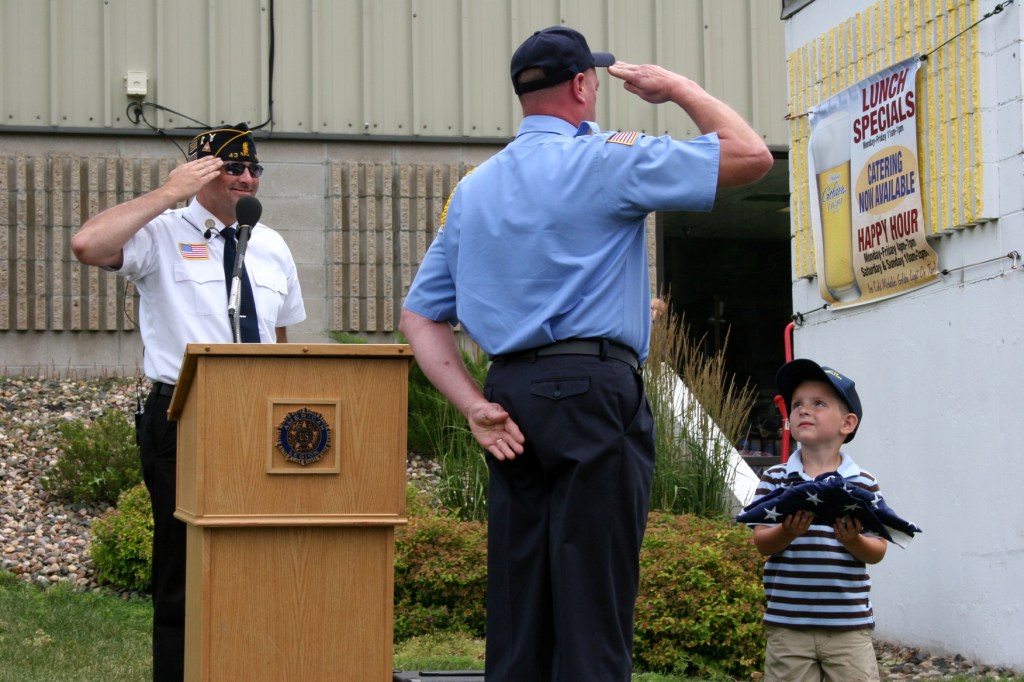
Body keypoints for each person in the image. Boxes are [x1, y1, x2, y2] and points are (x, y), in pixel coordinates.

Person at [399, 25, 772, 681]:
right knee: (593, 604)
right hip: (593, 392)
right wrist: (677, 87)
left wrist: (472, 405)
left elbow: (419, 316)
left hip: (508, 403)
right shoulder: (605, 158)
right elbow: (750, 156)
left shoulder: (473, 190)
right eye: (593, 80)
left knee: (520, 605)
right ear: (580, 85)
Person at [71, 124, 306, 682]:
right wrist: (167, 192)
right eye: (231, 168)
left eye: (253, 169)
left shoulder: (270, 244)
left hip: (260, 418)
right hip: (185, 415)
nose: (246, 178)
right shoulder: (161, 232)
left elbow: (280, 340)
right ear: (200, 173)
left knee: (261, 557)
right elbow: (87, 245)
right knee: (183, 566)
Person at [749, 359, 887, 682]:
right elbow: (761, 542)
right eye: (797, 404)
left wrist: (853, 540)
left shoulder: (863, 483)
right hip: (788, 626)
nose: (803, 410)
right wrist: (787, 532)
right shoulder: (775, 478)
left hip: (848, 626)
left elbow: (878, 550)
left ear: (847, 423)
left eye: (818, 403)